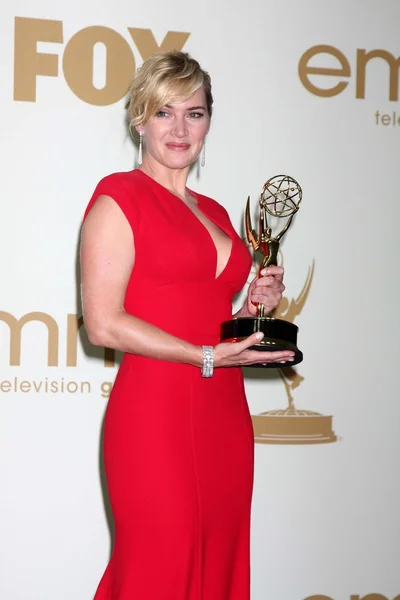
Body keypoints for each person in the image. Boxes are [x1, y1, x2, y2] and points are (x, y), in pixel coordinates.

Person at [80, 51, 294, 600]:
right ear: (139, 120)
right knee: (159, 566)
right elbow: (103, 324)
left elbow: (215, 325)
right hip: (155, 414)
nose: (179, 128)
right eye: (163, 113)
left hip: (223, 411)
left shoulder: (218, 213)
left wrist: (253, 310)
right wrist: (202, 356)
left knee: (218, 563)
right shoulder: (118, 198)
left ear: (208, 122)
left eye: (194, 114)